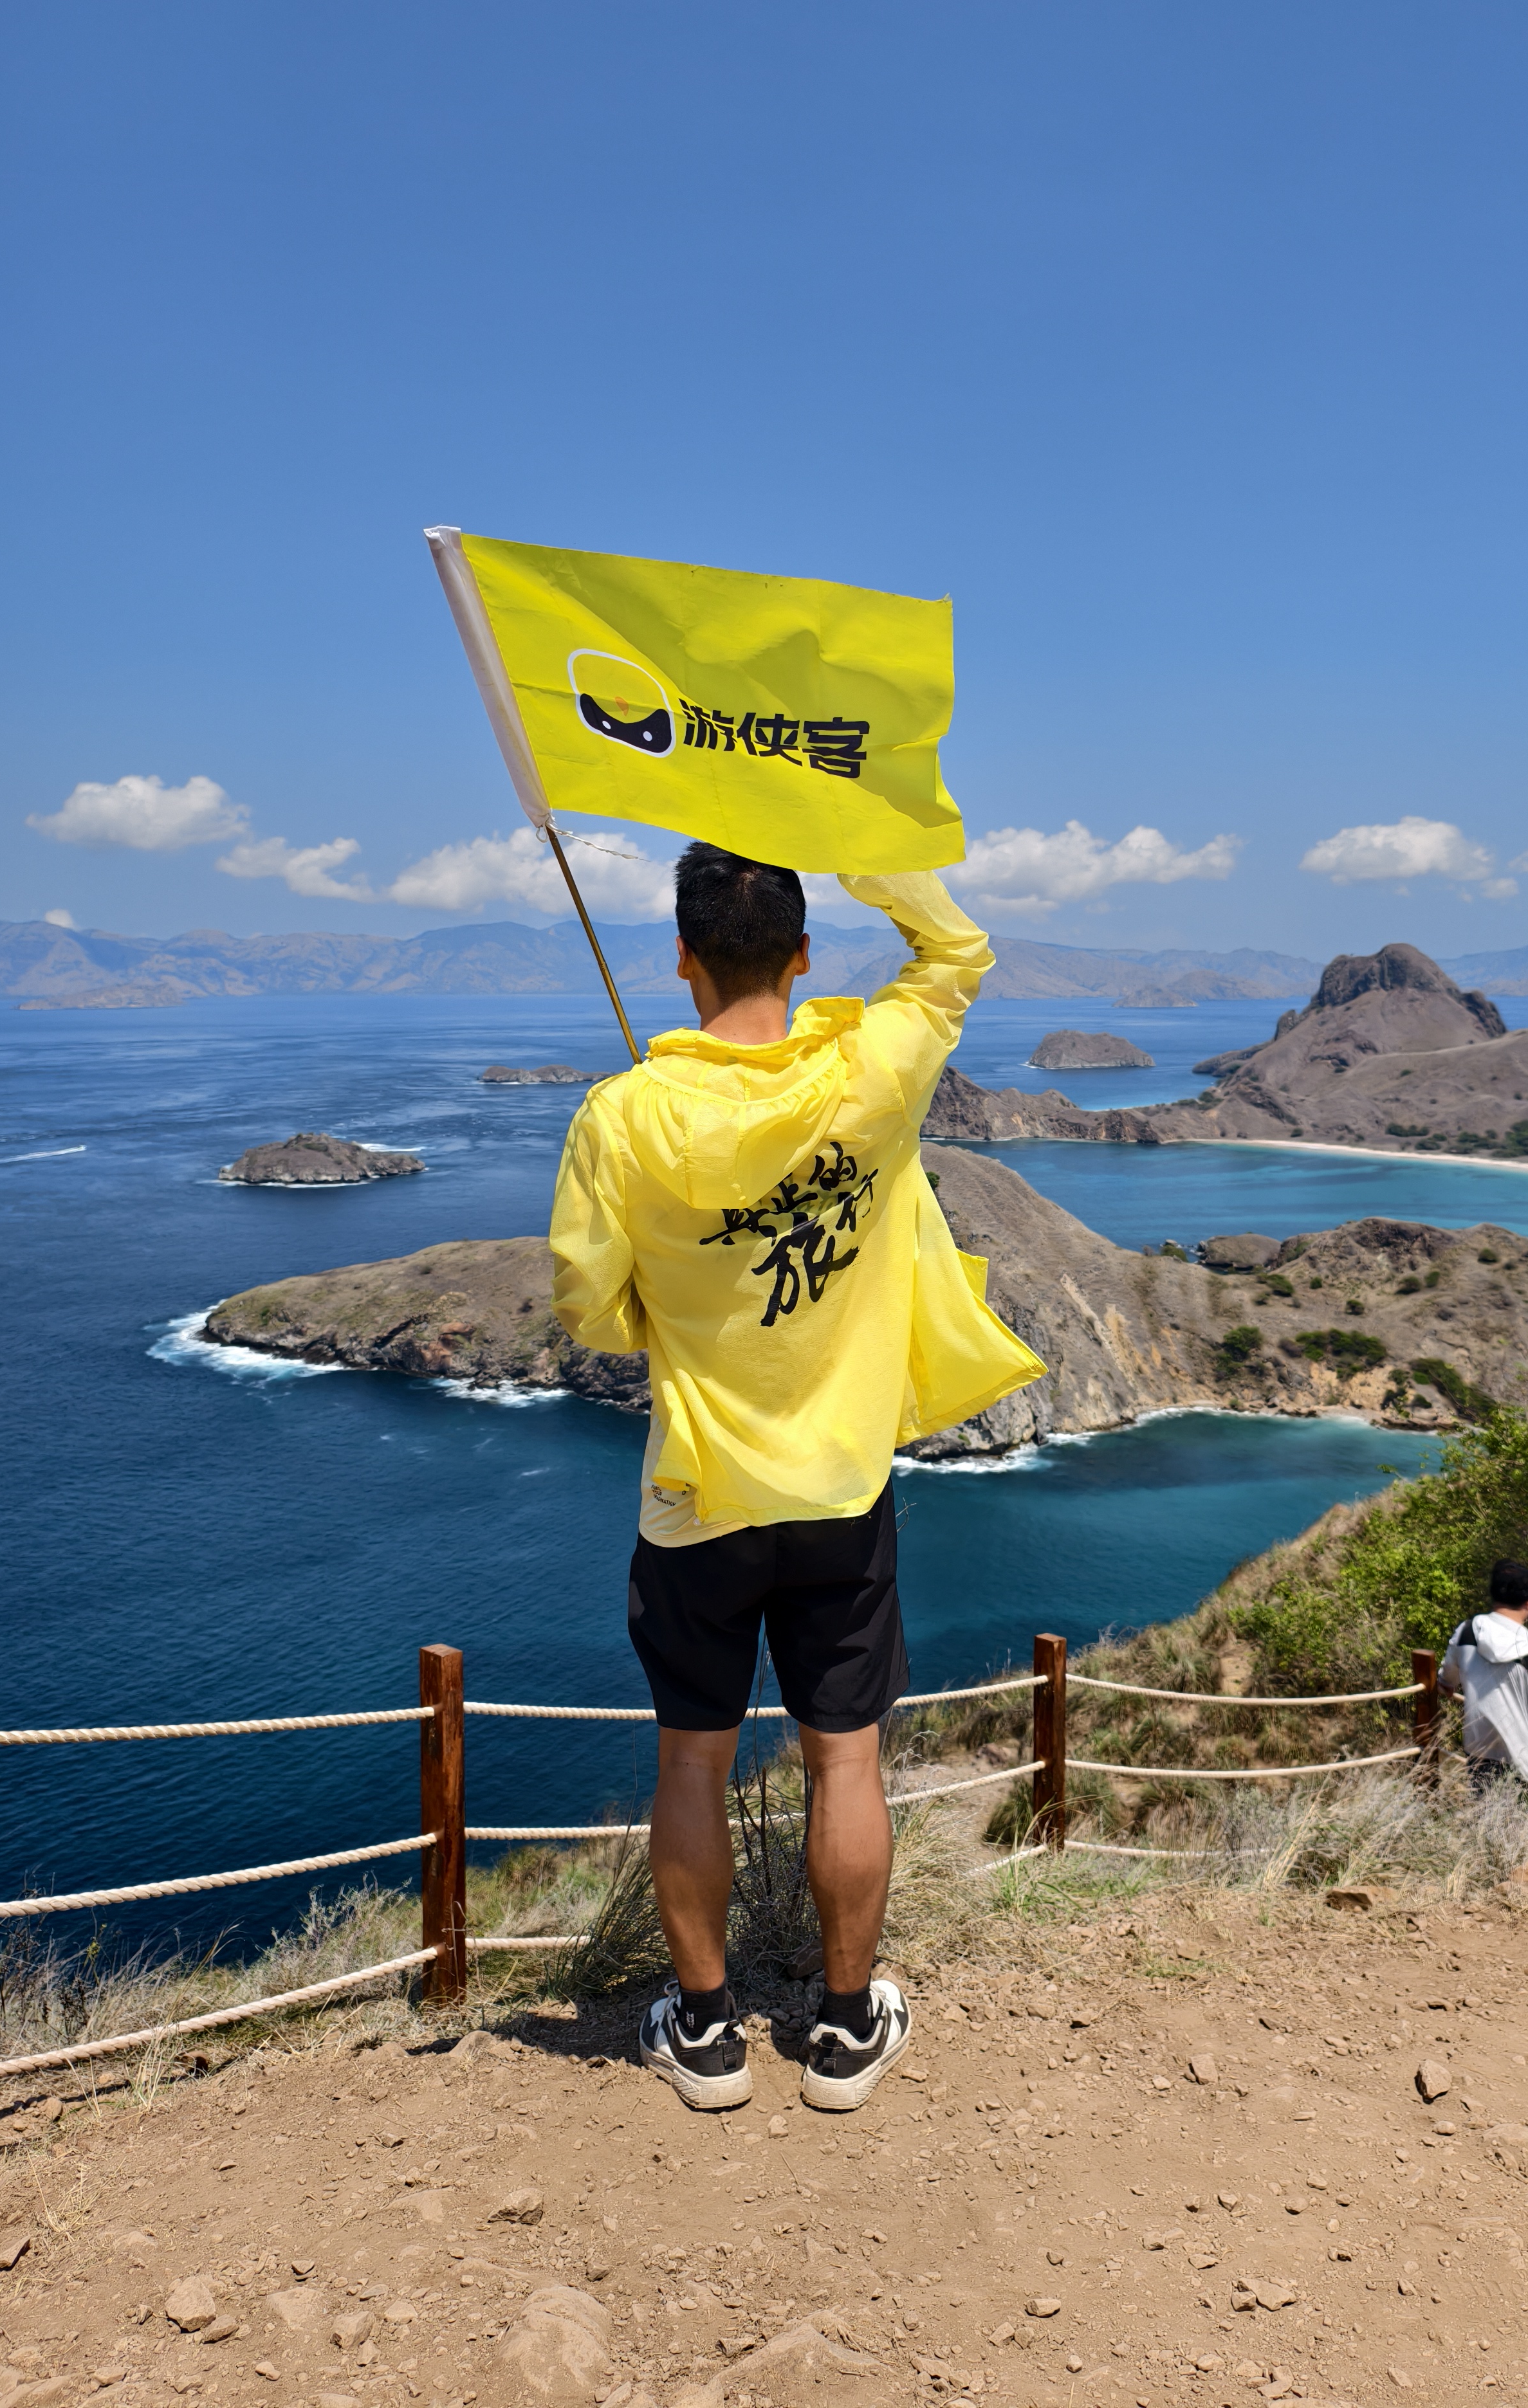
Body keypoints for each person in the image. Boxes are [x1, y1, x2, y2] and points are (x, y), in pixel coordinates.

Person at [550, 848, 1043, 2115]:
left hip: (696, 1499)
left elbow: (590, 1310)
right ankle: (843, 2024)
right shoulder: (873, 1069)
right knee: (846, 1763)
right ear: (806, 953)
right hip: (840, 1492)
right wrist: (869, 853)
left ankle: (707, 2033)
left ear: (680, 955)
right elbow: (957, 955)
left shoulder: (623, 1114)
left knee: (690, 1765)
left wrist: (668, 1305)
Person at [1438, 1560, 1528, 1790]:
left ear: (1494, 1596)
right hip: (1527, 1766)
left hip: (1479, 1755)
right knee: (1525, 1814)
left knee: (1486, 1811)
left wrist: (1445, 1683)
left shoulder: (1467, 1632)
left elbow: (1447, 1679)